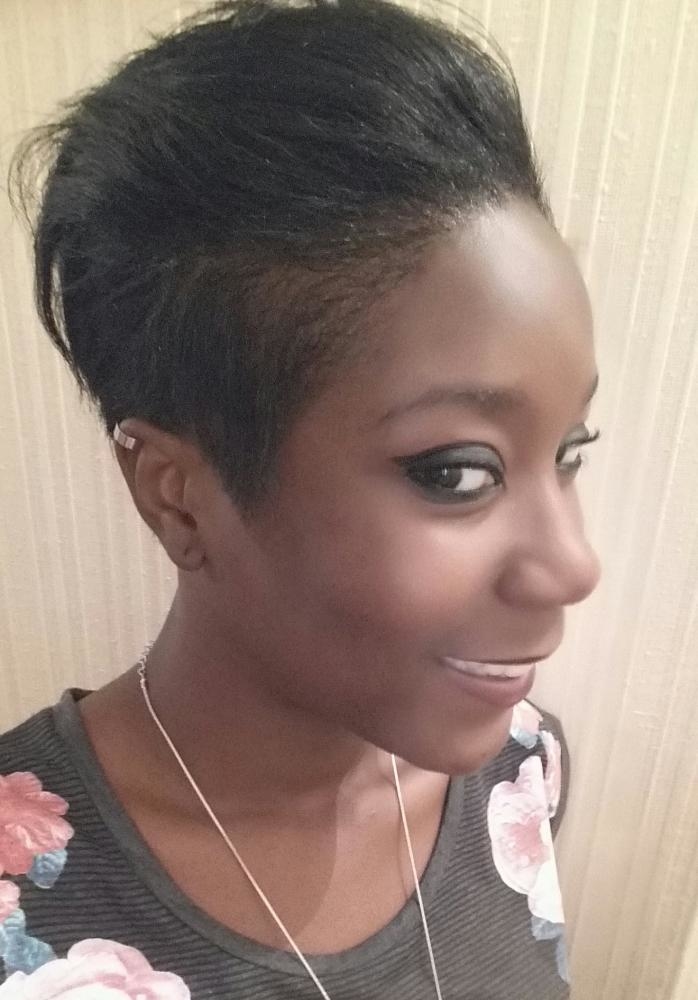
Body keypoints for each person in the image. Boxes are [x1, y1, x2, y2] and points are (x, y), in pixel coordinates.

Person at [0, 0, 602, 996]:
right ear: (177, 496)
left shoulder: (521, 768)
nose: (574, 565)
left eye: (568, 450)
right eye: (456, 471)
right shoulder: (21, 898)